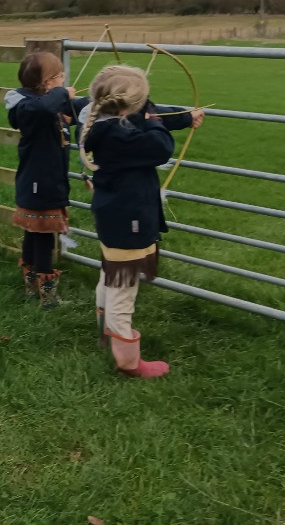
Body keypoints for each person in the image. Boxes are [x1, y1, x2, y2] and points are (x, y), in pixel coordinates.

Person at [78, 64, 205, 378]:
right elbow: (161, 146)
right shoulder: (123, 134)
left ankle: (106, 335)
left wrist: (186, 116)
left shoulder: (101, 118)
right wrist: (153, 117)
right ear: (127, 108)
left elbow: (151, 116)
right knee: (124, 285)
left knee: (111, 275)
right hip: (128, 218)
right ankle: (128, 361)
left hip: (115, 215)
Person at [5, 50, 89, 309]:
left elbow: (76, 108)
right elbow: (43, 108)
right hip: (39, 183)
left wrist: (100, 98)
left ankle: (31, 288)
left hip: (45, 181)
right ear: (47, 83)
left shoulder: (49, 104)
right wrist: (63, 93)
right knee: (42, 236)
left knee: (33, 234)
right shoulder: (27, 107)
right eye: (60, 77)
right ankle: (48, 298)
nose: (64, 81)